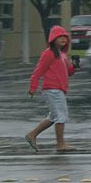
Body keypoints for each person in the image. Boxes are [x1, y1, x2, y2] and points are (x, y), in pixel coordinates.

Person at [25, 25, 76, 153]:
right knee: (61, 116)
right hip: (52, 89)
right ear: (53, 39)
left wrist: (74, 66)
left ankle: (32, 135)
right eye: (60, 36)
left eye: (65, 36)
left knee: (53, 117)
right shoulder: (48, 53)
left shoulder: (62, 54)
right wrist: (33, 87)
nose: (63, 38)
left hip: (59, 89)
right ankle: (60, 144)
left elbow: (67, 72)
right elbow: (38, 71)